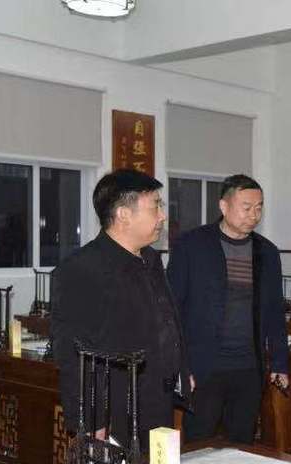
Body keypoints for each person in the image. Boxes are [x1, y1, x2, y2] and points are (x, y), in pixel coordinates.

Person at [52, 169, 190, 447]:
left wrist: (182, 371)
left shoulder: (150, 259)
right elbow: (72, 355)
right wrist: (91, 421)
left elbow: (167, 321)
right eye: (155, 207)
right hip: (115, 410)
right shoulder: (82, 269)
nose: (163, 216)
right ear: (124, 214)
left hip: (158, 398)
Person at [167, 174, 288, 444]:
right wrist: (180, 366)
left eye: (259, 208)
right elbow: (172, 311)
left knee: (242, 443)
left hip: (249, 367)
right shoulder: (191, 246)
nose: (254, 215)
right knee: (199, 444)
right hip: (204, 368)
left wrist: (280, 362)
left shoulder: (267, 252)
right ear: (224, 206)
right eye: (246, 207)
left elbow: (274, 312)